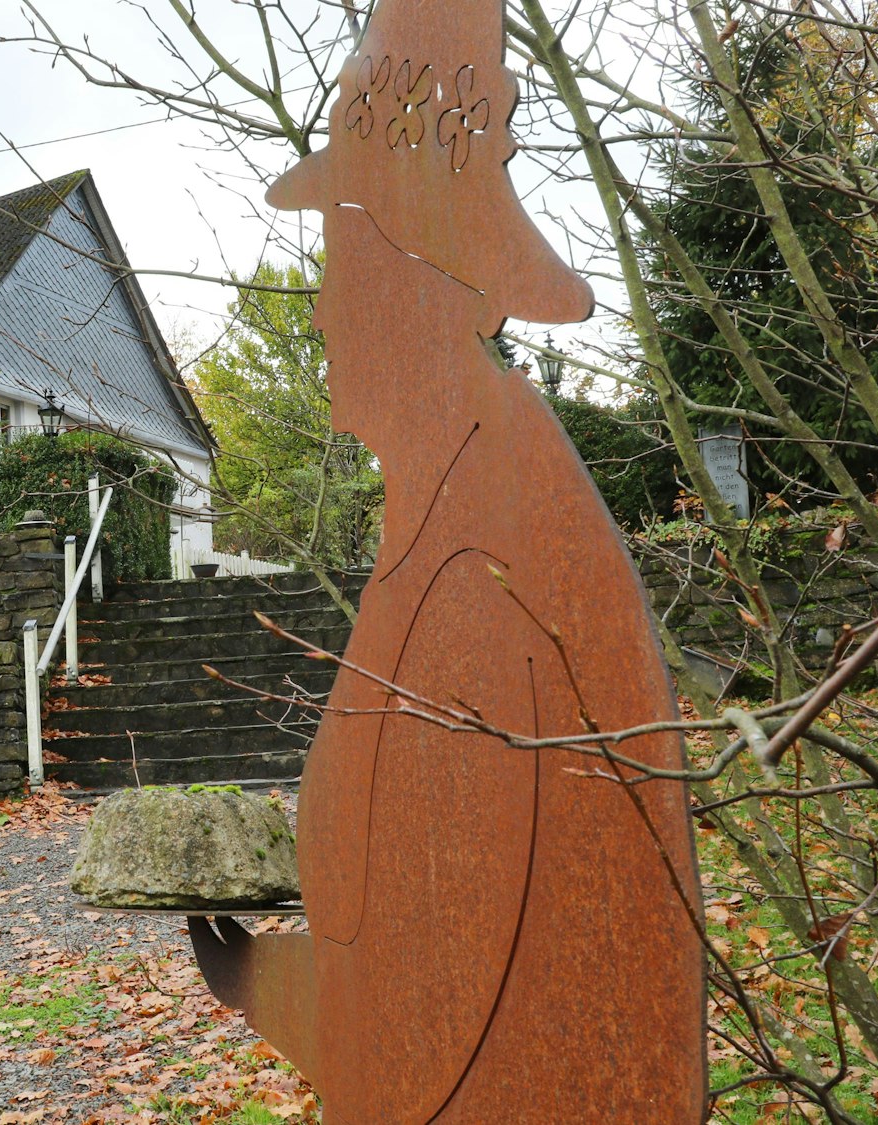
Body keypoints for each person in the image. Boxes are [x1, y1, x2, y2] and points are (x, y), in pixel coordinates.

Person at [187, 2, 705, 1119]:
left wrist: (255, 976)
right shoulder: (449, 503)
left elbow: (433, 1006)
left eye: (341, 274)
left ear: (415, 295)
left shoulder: (485, 561)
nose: (319, 315)